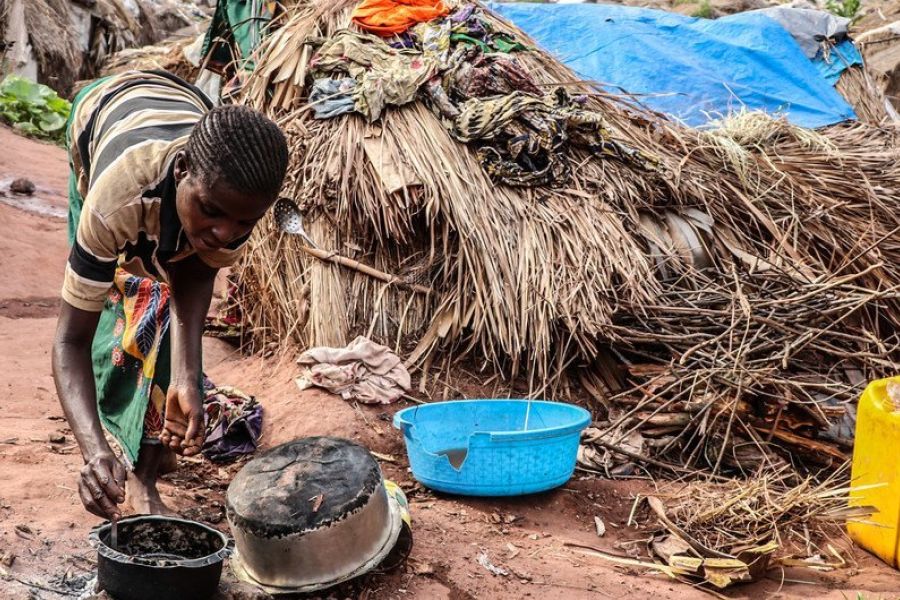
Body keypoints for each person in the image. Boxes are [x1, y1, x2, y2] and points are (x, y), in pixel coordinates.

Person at [52, 70, 288, 520]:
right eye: (211, 211)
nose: (224, 233)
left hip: (179, 101)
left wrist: (187, 377)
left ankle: (146, 466)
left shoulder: (239, 200)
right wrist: (91, 452)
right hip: (100, 114)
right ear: (182, 171)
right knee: (117, 296)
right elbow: (68, 341)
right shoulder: (115, 198)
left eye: (243, 224)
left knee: (164, 302)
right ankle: (111, 444)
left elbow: (195, 279)